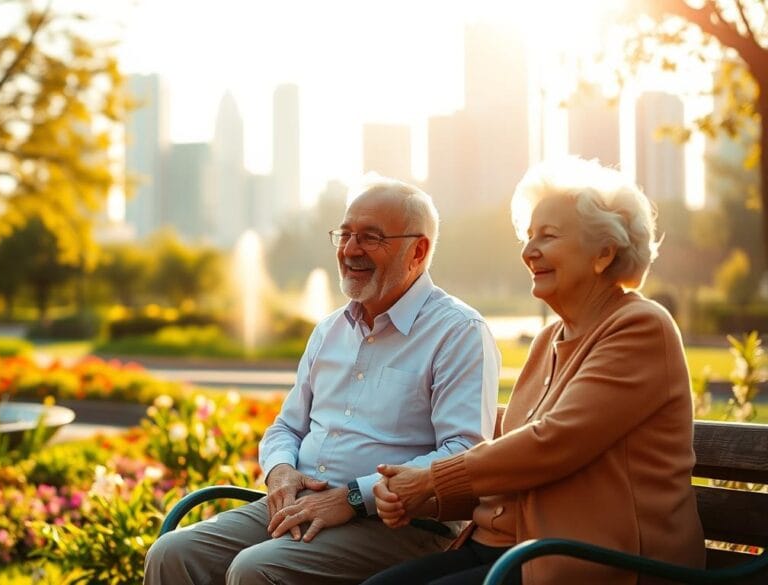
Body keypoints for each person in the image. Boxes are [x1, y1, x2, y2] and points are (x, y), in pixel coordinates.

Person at [144, 177, 501, 585]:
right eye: (345, 235)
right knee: (172, 553)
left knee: (255, 570)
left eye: (370, 237)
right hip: (300, 505)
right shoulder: (330, 330)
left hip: (400, 524)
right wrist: (280, 471)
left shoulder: (458, 331)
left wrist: (352, 497)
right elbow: (286, 427)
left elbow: (463, 453)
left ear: (417, 251)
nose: (350, 250)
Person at [366, 157, 705, 585]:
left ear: (604, 252)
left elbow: (553, 444)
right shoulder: (549, 341)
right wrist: (422, 498)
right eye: (528, 237)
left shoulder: (640, 327)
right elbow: (507, 466)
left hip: (602, 563)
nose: (528, 252)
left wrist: (431, 480)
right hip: (511, 549)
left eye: (548, 237)